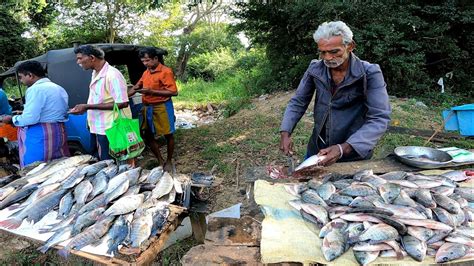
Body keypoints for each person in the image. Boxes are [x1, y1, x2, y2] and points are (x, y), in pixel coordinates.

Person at [280, 21, 391, 167]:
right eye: (322, 52)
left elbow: (379, 117)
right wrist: (285, 132)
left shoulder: (369, 73)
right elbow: (298, 102)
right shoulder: (315, 69)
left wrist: (342, 149)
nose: (327, 58)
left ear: (350, 46)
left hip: (353, 154)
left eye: (334, 52)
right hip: (317, 150)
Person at [0, 61, 70, 167]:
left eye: (21, 77)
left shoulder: (35, 89)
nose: (21, 81)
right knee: (57, 166)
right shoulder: (57, 87)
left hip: (41, 135)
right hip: (58, 132)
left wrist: (11, 119)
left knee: (35, 169)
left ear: (30, 75)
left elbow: (30, 118)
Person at [70, 45, 132, 161]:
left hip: (111, 128)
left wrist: (88, 107)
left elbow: (122, 103)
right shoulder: (96, 73)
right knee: (103, 161)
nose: (78, 62)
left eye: (79, 58)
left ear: (92, 58)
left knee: (114, 162)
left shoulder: (112, 75)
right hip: (98, 126)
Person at [128, 47, 178, 172]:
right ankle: (160, 160)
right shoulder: (146, 72)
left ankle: (169, 160)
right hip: (148, 107)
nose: (146, 64)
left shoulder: (166, 72)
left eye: (148, 60)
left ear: (156, 58)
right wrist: (125, 96)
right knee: (148, 134)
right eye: (143, 61)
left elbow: (173, 91)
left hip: (162, 106)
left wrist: (151, 91)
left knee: (168, 134)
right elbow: (137, 86)